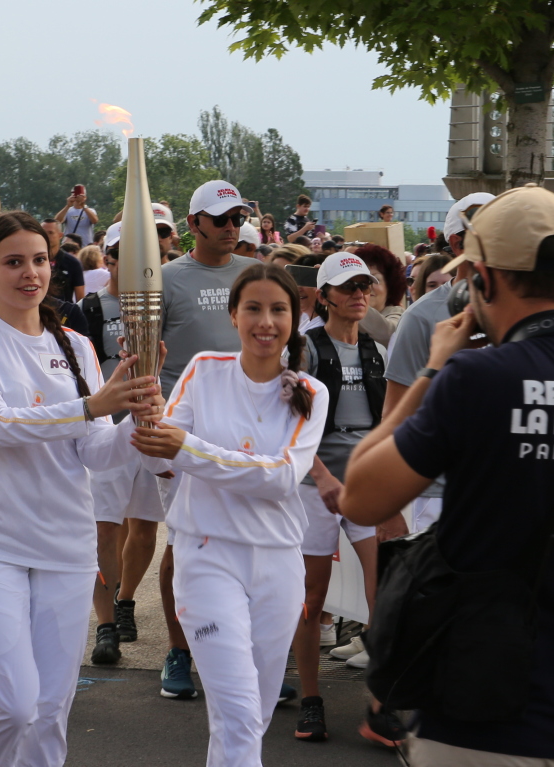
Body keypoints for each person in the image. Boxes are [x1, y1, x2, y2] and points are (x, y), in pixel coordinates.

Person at [342, 184, 554, 766]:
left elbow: (362, 496)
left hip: (472, 715)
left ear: (484, 280)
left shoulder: (474, 378)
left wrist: (433, 369)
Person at [0, 210, 159, 767]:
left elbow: (93, 451)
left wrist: (132, 415)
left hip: (65, 549)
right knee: (13, 704)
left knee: (49, 710)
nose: (30, 273)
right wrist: (91, 405)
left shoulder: (78, 348)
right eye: (13, 262)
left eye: (39, 260)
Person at [132, 262, 326, 766]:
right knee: (239, 714)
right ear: (234, 316)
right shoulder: (202, 370)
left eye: (278, 310)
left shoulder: (311, 393)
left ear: (297, 315)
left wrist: (187, 448)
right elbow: (158, 457)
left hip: (279, 563)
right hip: (206, 557)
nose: (266, 322)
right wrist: (147, 410)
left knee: (250, 718)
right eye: (254, 309)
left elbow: (280, 478)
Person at [288, 253, 402, 746]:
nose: (359, 294)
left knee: (387, 596)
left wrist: (390, 491)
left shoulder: (376, 350)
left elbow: (383, 427)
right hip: (315, 488)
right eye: (348, 287)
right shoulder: (307, 349)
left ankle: (382, 705)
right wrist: (321, 476)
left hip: (364, 486)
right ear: (326, 295)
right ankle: (311, 698)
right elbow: (287, 426)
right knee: (311, 599)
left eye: (365, 286)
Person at [155, 180, 258, 700]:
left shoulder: (254, 275)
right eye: (220, 219)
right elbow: (150, 360)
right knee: (185, 544)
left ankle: (249, 658)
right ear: (194, 224)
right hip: (184, 431)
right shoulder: (167, 279)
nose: (230, 226)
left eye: (237, 217)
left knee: (247, 544)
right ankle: (178, 651)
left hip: (243, 432)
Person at [381, 192, 494, 537]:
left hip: (504, 492)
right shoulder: (420, 317)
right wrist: (387, 508)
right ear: (457, 243)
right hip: (437, 496)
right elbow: (393, 416)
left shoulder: (520, 313)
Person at [83, 236, 168, 665]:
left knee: (146, 527)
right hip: (107, 430)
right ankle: (105, 625)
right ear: (109, 261)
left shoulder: (161, 302)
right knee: (106, 529)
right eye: (121, 260)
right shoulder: (93, 308)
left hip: (150, 427)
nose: (129, 269)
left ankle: (126, 601)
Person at [357, 243, 408, 346]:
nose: (367, 287)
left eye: (374, 280)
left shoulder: (397, 314)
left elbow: (389, 334)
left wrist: (346, 302)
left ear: (390, 286)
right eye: (360, 280)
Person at [41, 218, 85, 302]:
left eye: (50, 233)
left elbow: (80, 297)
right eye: (43, 233)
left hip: (63, 312)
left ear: (60, 235)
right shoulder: (32, 260)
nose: (46, 236)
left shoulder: (72, 263)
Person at [293, 253, 326, 334]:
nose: (298, 288)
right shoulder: (303, 320)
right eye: (294, 281)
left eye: (305, 281)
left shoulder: (323, 329)